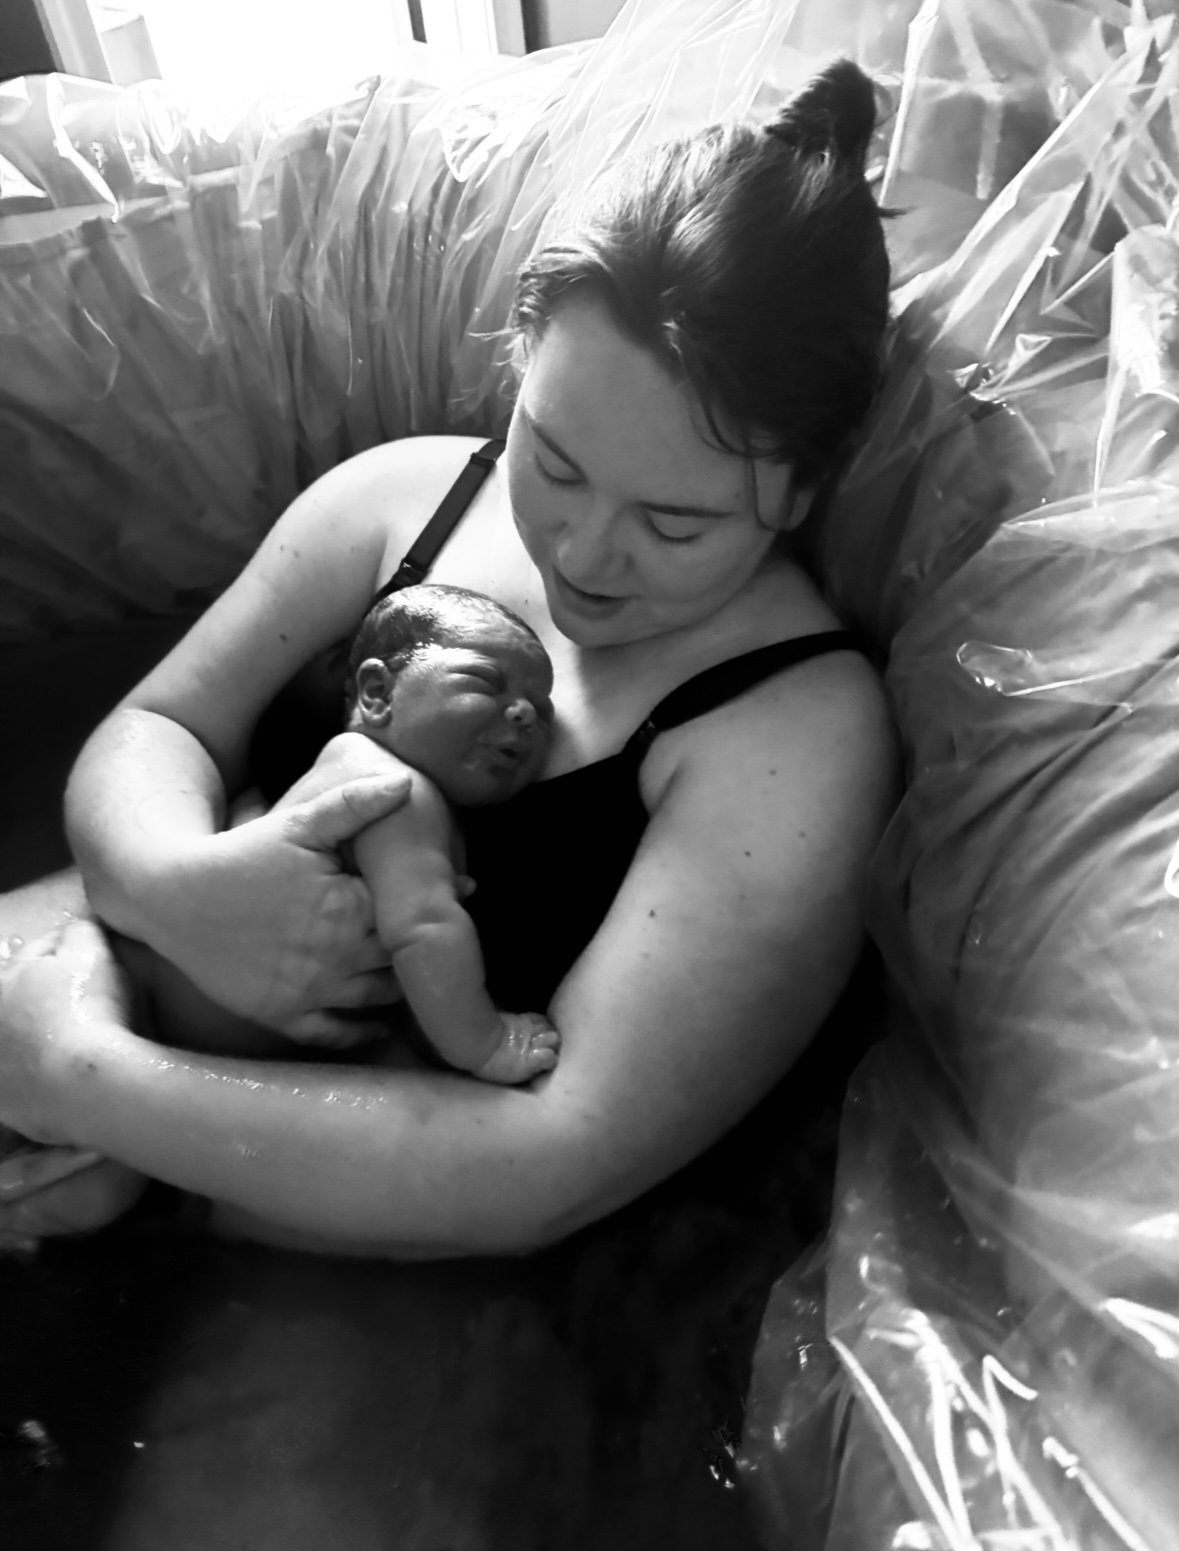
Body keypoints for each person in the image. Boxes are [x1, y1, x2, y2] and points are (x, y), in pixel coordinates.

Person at [0, 59, 898, 1258]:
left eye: (674, 523)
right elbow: (162, 727)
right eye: (557, 459)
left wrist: (82, 1078)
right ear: (521, 364)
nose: (584, 552)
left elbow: (547, 1162)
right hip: (95, 967)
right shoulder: (410, 497)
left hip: (337, 1210)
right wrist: (177, 887)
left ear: (803, 491)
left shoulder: (796, 733)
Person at [118, 582, 562, 1086]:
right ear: (377, 694)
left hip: (169, 1013)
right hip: (159, 1015)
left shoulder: (362, 773)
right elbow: (424, 933)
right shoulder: (392, 791)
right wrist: (485, 1043)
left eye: (543, 711)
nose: (525, 713)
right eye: (485, 681)